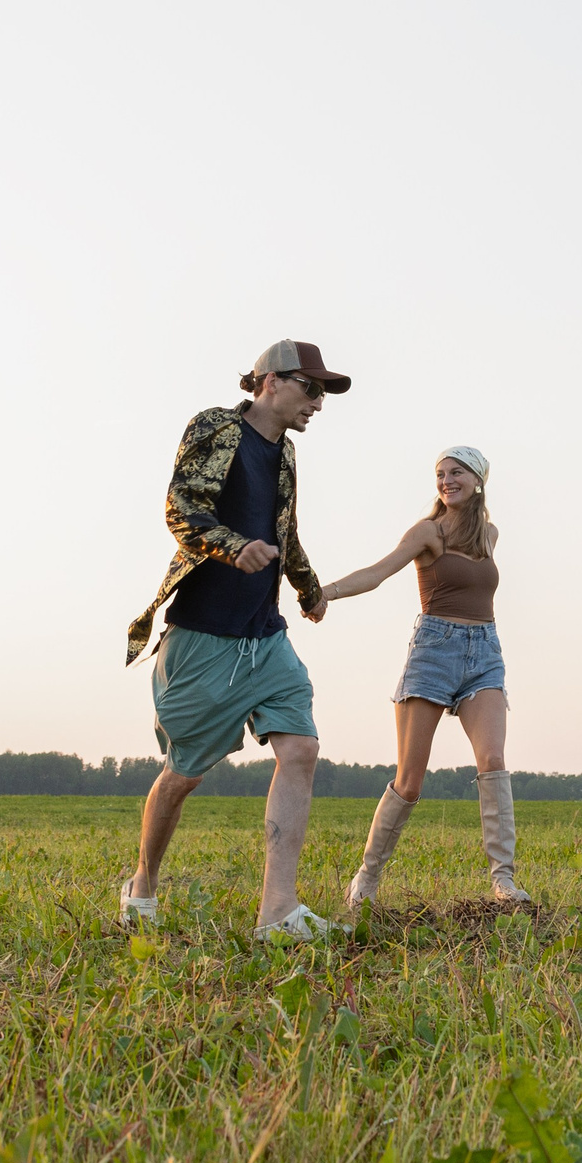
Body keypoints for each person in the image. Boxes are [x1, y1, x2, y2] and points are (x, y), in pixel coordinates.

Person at [119, 339, 351, 940]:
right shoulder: (215, 428)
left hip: (264, 635)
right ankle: (143, 885)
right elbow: (181, 506)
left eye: (323, 393)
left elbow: (286, 532)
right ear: (271, 381)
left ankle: (277, 912)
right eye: (311, 387)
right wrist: (232, 547)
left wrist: (308, 590)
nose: (318, 403)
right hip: (204, 635)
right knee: (183, 774)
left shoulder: (287, 454)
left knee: (300, 749)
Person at [317, 446, 529, 910]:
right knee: (410, 780)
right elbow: (378, 572)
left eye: (456, 472)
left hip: (485, 653)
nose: (446, 480)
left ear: (478, 480)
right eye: (440, 473)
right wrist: (325, 592)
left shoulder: (490, 535)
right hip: (433, 652)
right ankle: (366, 879)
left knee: (492, 758)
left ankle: (504, 881)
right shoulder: (427, 533)